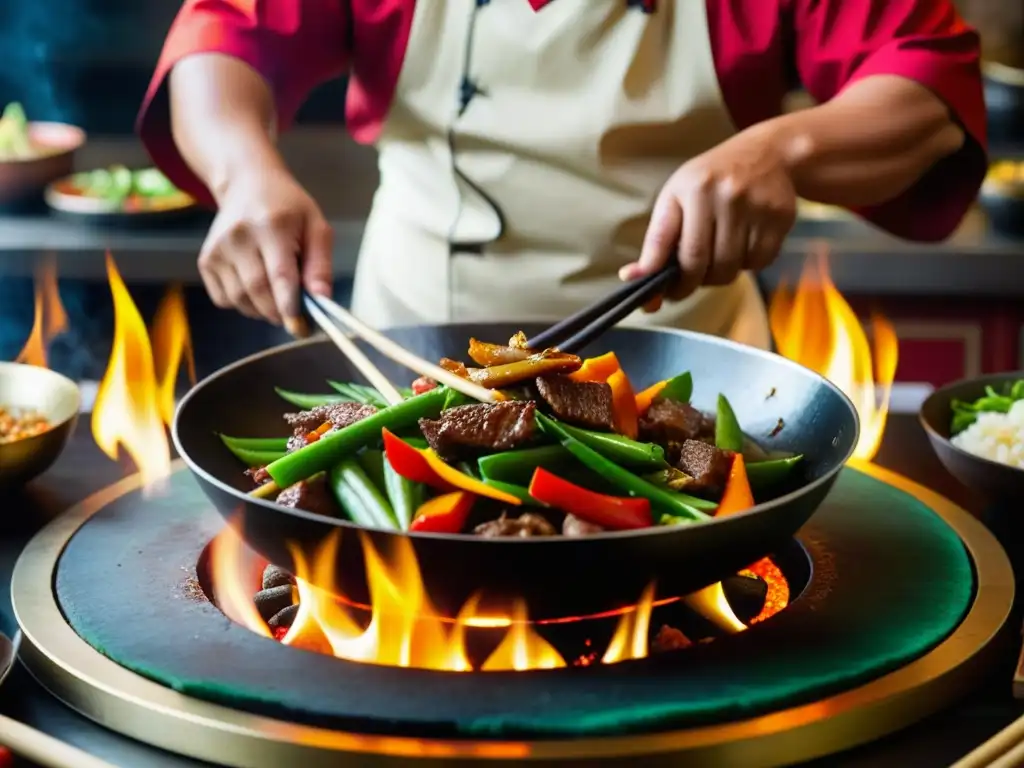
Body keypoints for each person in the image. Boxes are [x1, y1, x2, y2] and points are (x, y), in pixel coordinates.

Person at [138, 0, 987, 347]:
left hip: (687, 384)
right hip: (415, 360)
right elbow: (226, 32)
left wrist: (783, 150)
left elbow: (927, 79)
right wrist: (245, 173)